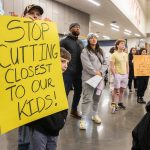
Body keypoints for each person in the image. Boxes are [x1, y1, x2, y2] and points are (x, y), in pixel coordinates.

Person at [28, 47, 71, 150]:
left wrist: (62, 119)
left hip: (55, 129)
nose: (65, 65)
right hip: (40, 128)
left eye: (67, 63)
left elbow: (63, 103)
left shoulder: (62, 81)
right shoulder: (39, 81)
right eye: (62, 61)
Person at [18, 4, 45, 150]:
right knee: (25, 131)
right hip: (21, 90)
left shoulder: (44, 36)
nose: (35, 16)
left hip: (40, 89)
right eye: (32, 13)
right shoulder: (14, 34)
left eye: (38, 14)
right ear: (24, 16)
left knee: (37, 129)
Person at [79, 33, 106, 130]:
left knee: (97, 99)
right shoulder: (85, 51)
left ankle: (95, 115)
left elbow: (105, 63)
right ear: (88, 40)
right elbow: (86, 65)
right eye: (91, 38)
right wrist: (96, 72)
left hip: (100, 79)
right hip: (89, 79)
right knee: (87, 99)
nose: (94, 39)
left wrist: (101, 72)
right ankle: (83, 119)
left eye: (95, 38)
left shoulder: (101, 51)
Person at [60, 23, 84, 119]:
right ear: (70, 29)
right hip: (68, 71)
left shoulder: (81, 42)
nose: (77, 29)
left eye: (79, 27)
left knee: (78, 91)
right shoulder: (64, 41)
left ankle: (74, 110)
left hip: (79, 71)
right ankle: (62, 113)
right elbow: (58, 54)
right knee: (65, 92)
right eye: (75, 27)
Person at [110, 39, 128, 110]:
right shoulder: (114, 54)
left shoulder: (126, 54)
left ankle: (120, 102)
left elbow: (127, 65)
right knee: (115, 90)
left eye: (124, 44)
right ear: (117, 45)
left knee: (122, 90)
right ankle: (113, 104)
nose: (123, 45)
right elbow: (112, 66)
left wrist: (127, 74)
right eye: (122, 44)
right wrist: (115, 75)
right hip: (118, 74)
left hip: (125, 75)